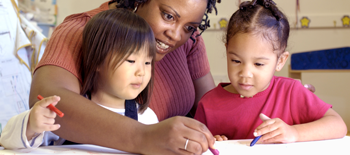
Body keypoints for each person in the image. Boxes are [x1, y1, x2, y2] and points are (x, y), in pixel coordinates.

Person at [29, 0, 218, 154]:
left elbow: (213, 109)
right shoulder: (87, 30)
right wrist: (144, 137)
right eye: (168, 16)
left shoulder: (189, 41)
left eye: (189, 27)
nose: (176, 35)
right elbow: (51, 100)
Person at [0, 9, 159, 149]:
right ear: (97, 61)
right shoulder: (66, 113)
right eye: (131, 61)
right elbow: (8, 142)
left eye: (147, 62)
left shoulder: (148, 119)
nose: (142, 72)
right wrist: (31, 124)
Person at [194, 0, 347, 143]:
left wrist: (294, 133)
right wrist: (212, 143)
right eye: (236, 61)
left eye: (259, 64)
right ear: (227, 51)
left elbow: (338, 125)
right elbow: (197, 142)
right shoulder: (208, 105)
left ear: (280, 61)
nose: (245, 73)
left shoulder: (291, 92)